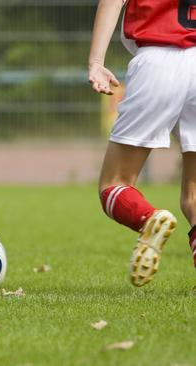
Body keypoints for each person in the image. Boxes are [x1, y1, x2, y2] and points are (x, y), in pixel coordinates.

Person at [86, 0, 196, 287]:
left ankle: (150, 219)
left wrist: (96, 62)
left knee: (114, 182)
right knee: (194, 196)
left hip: (158, 58)